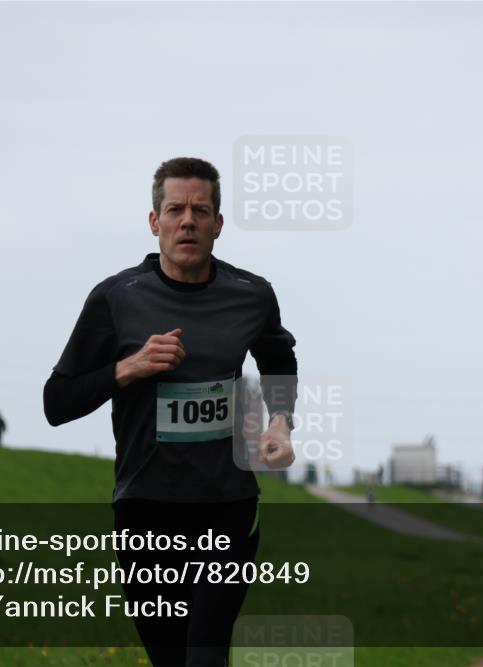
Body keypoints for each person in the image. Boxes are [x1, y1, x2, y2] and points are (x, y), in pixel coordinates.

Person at [43, 157, 298, 667]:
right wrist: (128, 368)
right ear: (154, 221)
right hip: (145, 509)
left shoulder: (251, 295)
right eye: (175, 209)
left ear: (218, 225)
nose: (188, 222)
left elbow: (278, 359)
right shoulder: (117, 298)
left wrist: (280, 422)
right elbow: (57, 402)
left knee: (205, 655)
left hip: (227, 505)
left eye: (200, 211)